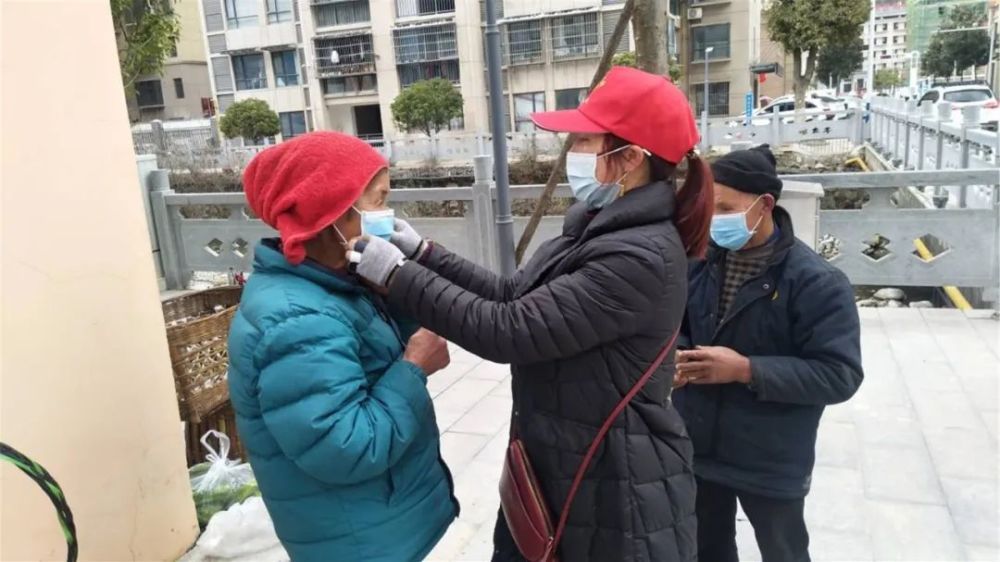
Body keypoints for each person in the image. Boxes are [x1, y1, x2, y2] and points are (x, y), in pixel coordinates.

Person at [347, 66, 714, 562]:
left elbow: (509, 331)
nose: (571, 153)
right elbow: (512, 294)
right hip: (568, 458)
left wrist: (398, 275)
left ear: (629, 159)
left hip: (616, 486)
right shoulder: (597, 228)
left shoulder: (637, 256)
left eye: (584, 141)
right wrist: (423, 253)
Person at [226, 132, 459, 562]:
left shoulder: (334, 279)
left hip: (375, 522)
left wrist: (398, 289)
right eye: (379, 200)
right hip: (357, 540)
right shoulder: (298, 319)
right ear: (332, 211)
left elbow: (377, 351)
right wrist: (413, 368)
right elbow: (346, 446)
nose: (387, 215)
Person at [672, 145, 863, 562]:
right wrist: (679, 357)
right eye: (709, 207)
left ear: (764, 206)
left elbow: (840, 374)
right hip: (699, 446)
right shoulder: (699, 261)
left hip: (771, 457)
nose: (713, 218)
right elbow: (677, 326)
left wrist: (746, 370)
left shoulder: (817, 282)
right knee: (704, 549)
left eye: (726, 208)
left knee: (783, 550)